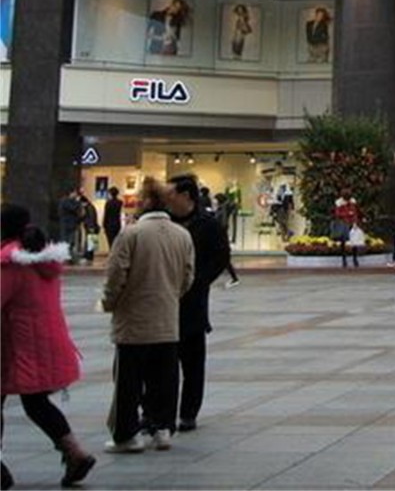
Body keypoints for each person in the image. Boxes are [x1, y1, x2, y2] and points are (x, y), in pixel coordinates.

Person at [1, 204, 96, 489]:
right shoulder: (40, 257)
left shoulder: (11, 261)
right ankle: (75, 453)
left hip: (17, 345)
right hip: (43, 341)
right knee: (37, 403)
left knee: (32, 403)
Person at [100, 176, 194, 453]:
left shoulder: (131, 234)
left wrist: (109, 302)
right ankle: (162, 427)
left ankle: (126, 433)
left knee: (128, 381)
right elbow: (188, 276)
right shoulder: (182, 235)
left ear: (145, 202)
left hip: (134, 320)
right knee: (164, 377)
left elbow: (116, 275)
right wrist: (171, 295)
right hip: (167, 319)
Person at [165, 174, 229, 432]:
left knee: (192, 363)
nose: (167, 199)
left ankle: (188, 413)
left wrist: (199, 281)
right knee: (164, 364)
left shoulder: (207, 224)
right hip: (164, 302)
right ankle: (161, 413)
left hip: (192, 303)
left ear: (186, 196)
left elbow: (221, 257)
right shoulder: (164, 222)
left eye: (171, 194)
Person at [57, 190, 84, 265]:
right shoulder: (65, 201)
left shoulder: (70, 201)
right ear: (71, 193)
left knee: (71, 242)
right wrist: (78, 202)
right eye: (75, 193)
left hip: (71, 225)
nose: (76, 195)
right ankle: (66, 258)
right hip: (67, 225)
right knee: (66, 242)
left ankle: (69, 258)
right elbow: (73, 208)